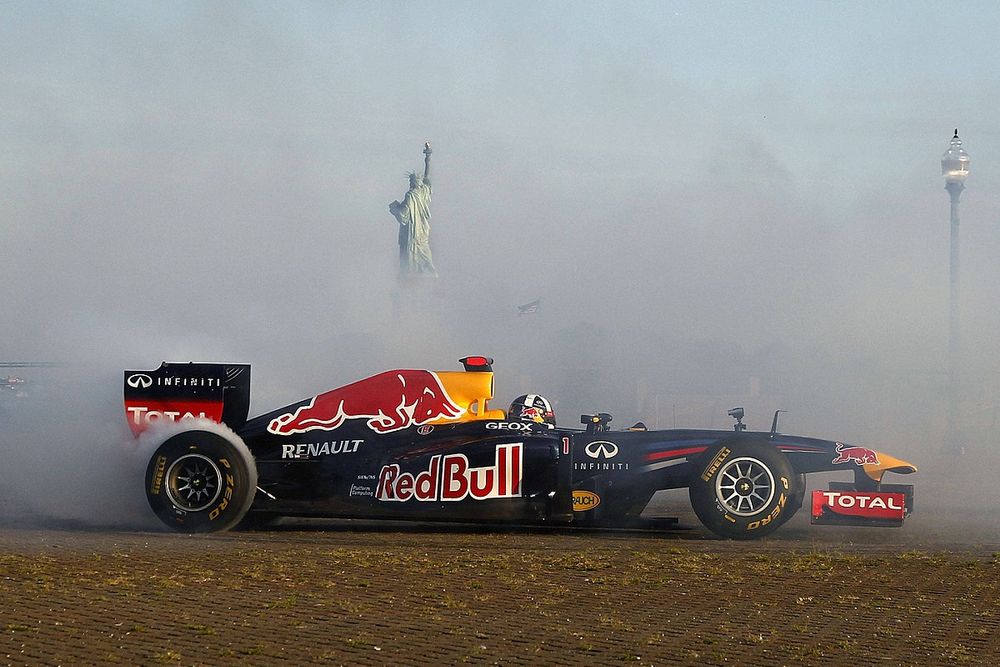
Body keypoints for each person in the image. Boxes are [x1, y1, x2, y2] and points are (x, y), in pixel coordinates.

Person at [388, 142, 437, 277]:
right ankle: (429, 271)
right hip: (423, 230)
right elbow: (428, 177)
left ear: (412, 182)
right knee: (424, 250)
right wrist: (428, 157)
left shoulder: (410, 195)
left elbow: (404, 216)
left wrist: (394, 208)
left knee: (413, 252)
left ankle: (412, 274)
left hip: (413, 232)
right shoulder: (424, 192)